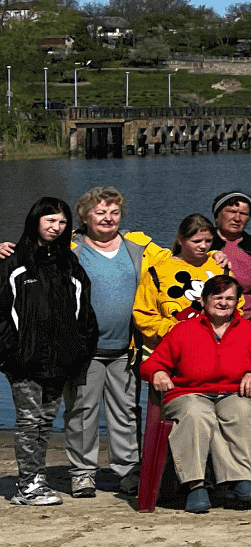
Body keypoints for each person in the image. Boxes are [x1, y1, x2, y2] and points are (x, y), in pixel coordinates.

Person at [137, 273, 251, 513]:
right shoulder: (183, 330)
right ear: (204, 300)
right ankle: (195, 486)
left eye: (230, 298)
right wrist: (158, 373)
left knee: (240, 411)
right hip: (190, 394)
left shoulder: (249, 330)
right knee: (196, 414)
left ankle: (240, 479)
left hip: (233, 393)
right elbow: (151, 363)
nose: (223, 303)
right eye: (217, 296)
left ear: (237, 302)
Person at [0, 197, 98, 506]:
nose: (56, 227)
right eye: (50, 221)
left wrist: (80, 350)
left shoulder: (70, 264)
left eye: (62, 222)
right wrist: (10, 353)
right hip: (24, 361)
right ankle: (27, 486)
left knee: (44, 421)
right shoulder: (13, 262)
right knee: (29, 421)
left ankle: (36, 479)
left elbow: (84, 313)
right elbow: (3, 312)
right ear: (35, 222)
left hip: (60, 361)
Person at [63, 187, 148, 497]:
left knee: (126, 412)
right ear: (85, 216)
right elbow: (32, 256)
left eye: (114, 212)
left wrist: (216, 252)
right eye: (100, 212)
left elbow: (179, 258)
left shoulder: (137, 247)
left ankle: (127, 472)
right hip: (84, 351)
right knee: (81, 412)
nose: (108, 218)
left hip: (126, 349)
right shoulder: (69, 249)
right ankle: (83, 473)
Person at [134, 215, 229, 354]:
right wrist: (176, 332)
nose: (203, 246)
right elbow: (143, 313)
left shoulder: (220, 267)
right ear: (180, 240)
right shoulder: (158, 270)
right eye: (196, 241)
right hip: (167, 350)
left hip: (213, 348)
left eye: (208, 241)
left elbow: (236, 305)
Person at [209, 191, 251, 319]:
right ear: (217, 215)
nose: (237, 218)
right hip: (212, 319)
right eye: (231, 212)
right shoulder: (202, 245)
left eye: (243, 214)